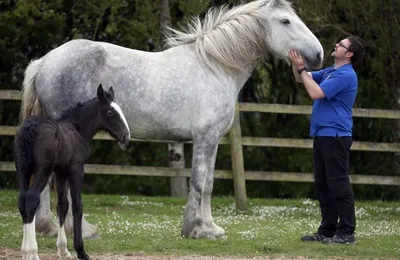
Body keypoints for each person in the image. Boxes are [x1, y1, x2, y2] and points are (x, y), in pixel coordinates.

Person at [288, 36, 365, 245]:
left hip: (336, 136)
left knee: (338, 183)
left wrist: (303, 70)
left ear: (349, 54)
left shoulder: (345, 75)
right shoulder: (331, 71)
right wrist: (297, 65)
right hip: (323, 134)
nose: (336, 45)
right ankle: (327, 230)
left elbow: (315, 92)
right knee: (323, 185)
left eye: (341, 45)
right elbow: (301, 79)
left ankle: (347, 232)